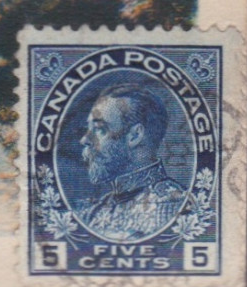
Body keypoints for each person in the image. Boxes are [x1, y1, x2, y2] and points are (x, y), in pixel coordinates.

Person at [76, 81, 186, 241]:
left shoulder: (175, 206)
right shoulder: (92, 212)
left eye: (99, 129)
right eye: (89, 129)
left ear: (135, 135)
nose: (84, 139)